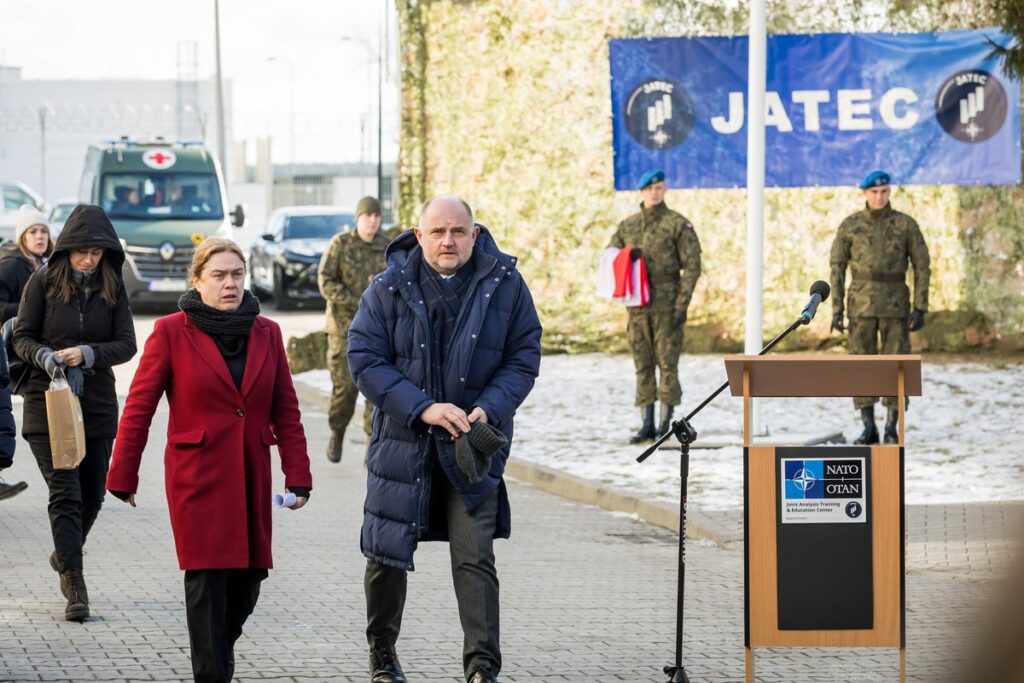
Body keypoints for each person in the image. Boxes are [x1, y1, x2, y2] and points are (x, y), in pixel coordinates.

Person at [348, 196, 542, 683]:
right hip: (404, 445)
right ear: (419, 235)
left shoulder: (506, 285)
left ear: (475, 234)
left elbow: (523, 355)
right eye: (437, 232)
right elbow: (364, 359)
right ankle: (383, 655)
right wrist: (422, 408)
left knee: (475, 556)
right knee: (386, 557)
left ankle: (482, 668)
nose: (448, 241)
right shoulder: (387, 287)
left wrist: (490, 409)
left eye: (458, 231)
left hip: (471, 446)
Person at [106, 238, 313, 683]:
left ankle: (217, 658)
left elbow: (287, 411)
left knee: (248, 584)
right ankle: (213, 673)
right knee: (207, 587)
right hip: (197, 479)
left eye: (237, 274)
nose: (230, 283)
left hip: (251, 476)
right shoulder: (170, 332)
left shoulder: (267, 332)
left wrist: (299, 477)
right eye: (218, 275)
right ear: (197, 280)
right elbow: (139, 407)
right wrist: (123, 474)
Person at [12, 204, 137, 621]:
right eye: (82, 251)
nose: (88, 259)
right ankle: (75, 583)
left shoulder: (113, 286)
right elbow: (21, 337)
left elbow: (126, 344)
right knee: (65, 492)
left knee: (94, 493)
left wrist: (88, 354)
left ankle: (65, 551)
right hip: (46, 399)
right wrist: (45, 356)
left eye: (97, 253)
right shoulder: (43, 281)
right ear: (67, 248)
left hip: (97, 400)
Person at [830, 170, 930, 444]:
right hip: (860, 306)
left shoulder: (905, 224)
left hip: (895, 306)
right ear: (865, 193)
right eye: (874, 192)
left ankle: (891, 427)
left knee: (896, 368)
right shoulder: (850, 225)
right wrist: (836, 308)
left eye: (884, 191)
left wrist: (920, 306)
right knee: (861, 366)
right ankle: (868, 427)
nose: (879, 196)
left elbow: (922, 265)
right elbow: (837, 267)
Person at [608, 170, 702, 443]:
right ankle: (646, 423)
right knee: (643, 364)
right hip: (638, 307)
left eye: (659, 187)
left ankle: (665, 422)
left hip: (667, 306)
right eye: (650, 188)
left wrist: (681, 306)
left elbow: (693, 266)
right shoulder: (628, 226)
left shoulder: (677, 224)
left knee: (667, 364)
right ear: (642, 192)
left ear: (664, 189)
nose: (654, 193)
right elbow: (609, 258)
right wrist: (626, 256)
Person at [317, 195, 389, 463]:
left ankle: (373, 446)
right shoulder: (341, 244)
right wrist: (354, 300)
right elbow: (325, 280)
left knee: (376, 389)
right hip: (344, 329)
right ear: (358, 218)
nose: (372, 220)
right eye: (367, 215)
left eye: (376, 216)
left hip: (378, 331)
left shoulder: (386, 247)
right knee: (345, 389)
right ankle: (337, 431)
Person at [0, 204, 52, 500]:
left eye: (43, 230)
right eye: (33, 231)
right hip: (12, 347)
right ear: (22, 236)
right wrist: (24, 311)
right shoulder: (10, 265)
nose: (39, 236)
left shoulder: (45, 264)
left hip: (33, 349)